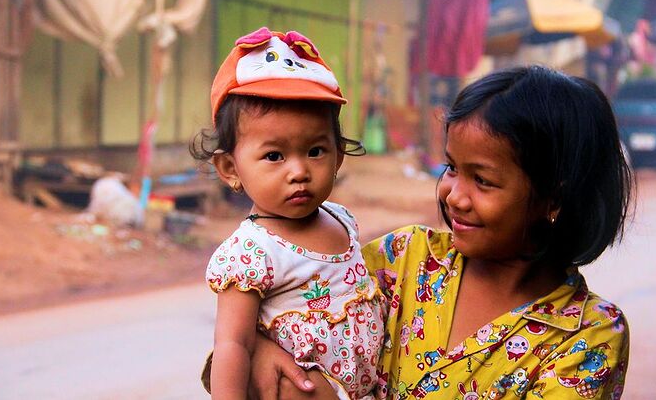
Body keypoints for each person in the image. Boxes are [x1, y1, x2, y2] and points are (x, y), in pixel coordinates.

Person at [246, 65, 632, 399]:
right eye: (451, 168)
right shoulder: (405, 257)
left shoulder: (586, 336)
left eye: (482, 180)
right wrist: (260, 352)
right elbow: (287, 317)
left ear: (553, 198)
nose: (454, 196)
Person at [192, 27, 386, 399]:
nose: (298, 171)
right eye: (274, 156)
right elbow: (232, 344)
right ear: (230, 169)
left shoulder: (343, 220)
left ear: (338, 156)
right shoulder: (250, 253)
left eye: (315, 151)